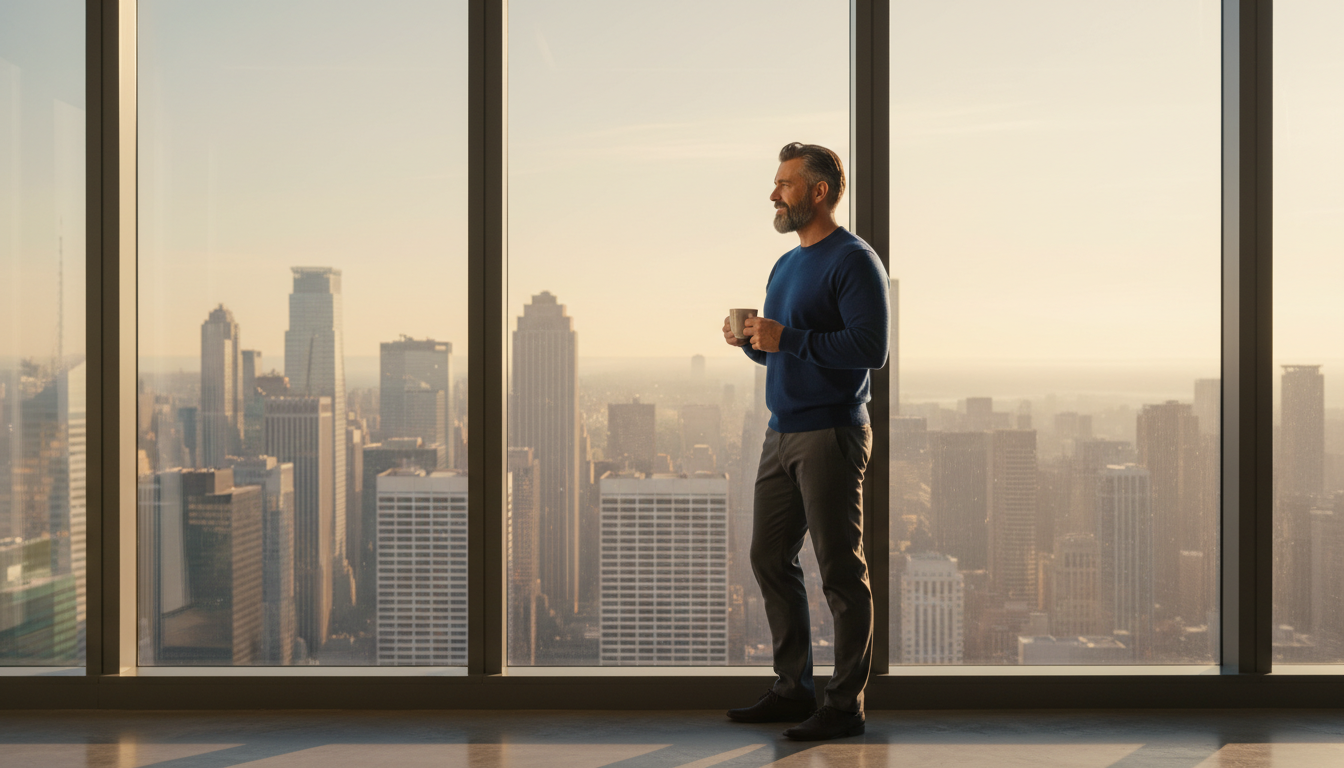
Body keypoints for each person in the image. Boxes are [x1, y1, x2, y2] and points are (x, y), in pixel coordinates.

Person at [722, 142, 889, 741]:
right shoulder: (786, 265)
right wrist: (750, 341)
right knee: (768, 557)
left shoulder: (854, 260)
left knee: (841, 572)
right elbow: (785, 349)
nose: (774, 194)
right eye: (775, 183)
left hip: (831, 433)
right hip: (781, 431)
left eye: (785, 184)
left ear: (818, 192)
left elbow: (871, 351)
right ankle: (794, 689)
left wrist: (784, 336)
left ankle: (845, 706)